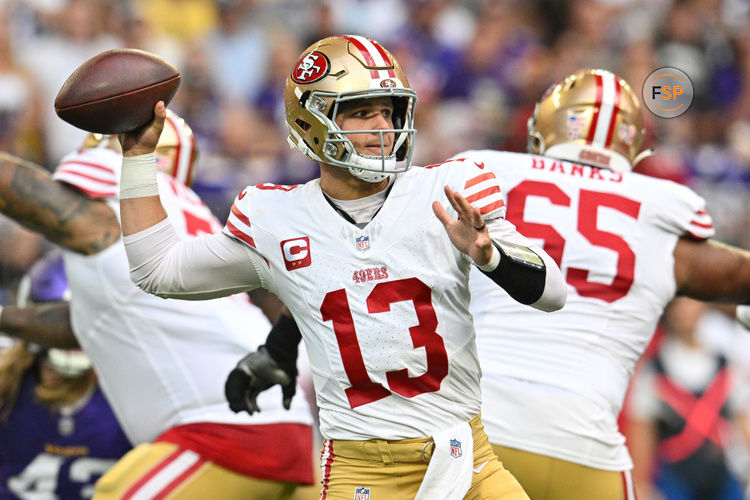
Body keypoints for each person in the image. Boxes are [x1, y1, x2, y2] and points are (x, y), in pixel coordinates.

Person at [116, 34, 567, 499]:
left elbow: (554, 294)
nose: (382, 126)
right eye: (361, 111)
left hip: (465, 458)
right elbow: (159, 271)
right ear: (311, 122)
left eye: (389, 111)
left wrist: (489, 256)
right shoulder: (277, 220)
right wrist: (136, 159)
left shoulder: (447, 193)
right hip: (363, 470)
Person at [449, 68, 750, 500]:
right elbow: (734, 276)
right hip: (586, 449)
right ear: (632, 145)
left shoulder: (489, 172)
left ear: (544, 130)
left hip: (480, 435)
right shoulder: (658, 209)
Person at [0, 112, 316, 499]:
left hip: (223, 434)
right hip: (274, 429)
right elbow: (86, 324)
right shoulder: (185, 218)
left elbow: (37, 198)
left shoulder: (116, 214)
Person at [0, 251, 131, 499]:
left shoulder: (135, 390)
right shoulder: (7, 379)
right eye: (58, 325)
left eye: (78, 328)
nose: (69, 338)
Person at [628, 297, 750, 500]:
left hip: (721, 477)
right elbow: (642, 431)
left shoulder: (723, 364)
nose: (686, 311)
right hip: (676, 479)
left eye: (691, 302)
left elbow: (743, 421)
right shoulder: (654, 371)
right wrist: (641, 484)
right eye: (679, 305)